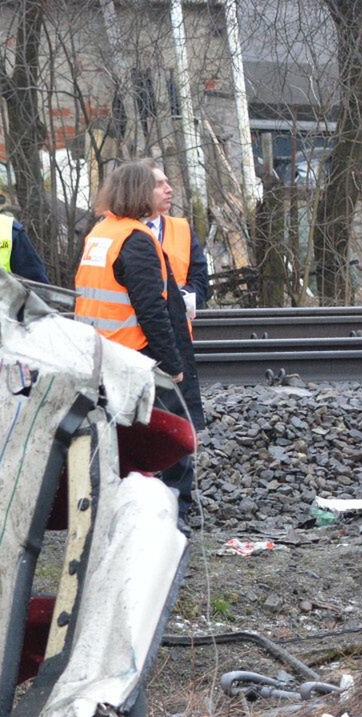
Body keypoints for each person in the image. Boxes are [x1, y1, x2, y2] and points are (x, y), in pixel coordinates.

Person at [75, 159, 200, 520]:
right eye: (153, 185)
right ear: (138, 192)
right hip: (136, 357)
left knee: (114, 440)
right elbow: (151, 310)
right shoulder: (135, 240)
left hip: (103, 353)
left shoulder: (101, 233)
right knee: (170, 435)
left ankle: (112, 510)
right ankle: (172, 514)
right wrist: (173, 365)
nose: (161, 190)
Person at [144, 165, 207, 514]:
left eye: (169, 181)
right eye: (159, 184)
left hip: (176, 342)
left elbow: (200, 279)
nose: (169, 189)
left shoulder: (182, 230)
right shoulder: (124, 232)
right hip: (138, 345)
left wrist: (188, 297)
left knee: (177, 422)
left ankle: (179, 502)